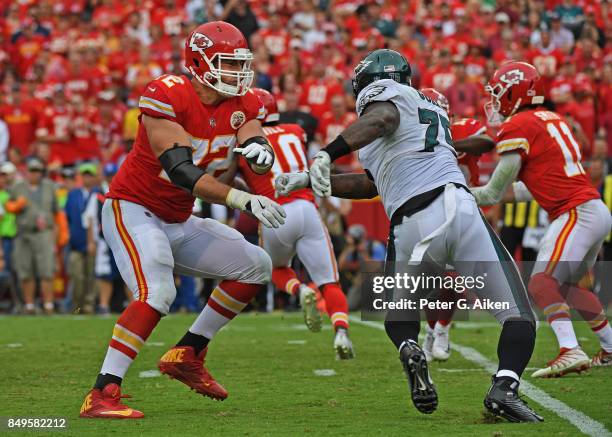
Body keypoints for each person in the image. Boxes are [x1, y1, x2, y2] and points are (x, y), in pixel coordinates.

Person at [276, 49, 541, 422]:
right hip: (460, 207)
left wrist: (327, 153)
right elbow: (370, 183)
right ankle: (505, 388)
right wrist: (309, 179)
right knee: (518, 315)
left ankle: (409, 346)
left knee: (398, 318)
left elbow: (382, 117)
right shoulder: (427, 109)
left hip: (412, 218)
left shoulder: (387, 103)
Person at [79, 22, 286, 419]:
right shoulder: (168, 94)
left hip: (177, 218)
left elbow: (255, 151)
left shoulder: (245, 103)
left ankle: (187, 353)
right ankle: (102, 392)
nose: (236, 73)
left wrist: (266, 193)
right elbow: (181, 172)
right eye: (226, 63)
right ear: (199, 62)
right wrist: (242, 199)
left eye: (239, 63)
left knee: (255, 266)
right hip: (134, 208)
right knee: (157, 293)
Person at [472, 61, 612, 376]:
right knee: (567, 288)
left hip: (575, 212)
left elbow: (493, 193)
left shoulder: (519, 125)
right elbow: (530, 186)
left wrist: (458, 191)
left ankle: (569, 349)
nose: (495, 101)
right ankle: (609, 346)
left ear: (515, 92)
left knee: (541, 282)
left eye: (499, 93)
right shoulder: (550, 118)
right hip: (593, 209)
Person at [231, 88, 354, 359]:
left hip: (274, 211)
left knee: (274, 269)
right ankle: (342, 332)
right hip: (306, 208)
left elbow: (234, 178)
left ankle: (299, 290)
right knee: (329, 282)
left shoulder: (245, 142)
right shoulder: (295, 131)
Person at [418, 87, 495, 362]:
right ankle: (431, 330)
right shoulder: (411, 137)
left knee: (453, 277)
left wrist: (450, 144)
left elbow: (487, 142)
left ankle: (441, 329)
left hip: (463, 210)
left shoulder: (462, 129)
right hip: (428, 211)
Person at [6, 157, 59, 314]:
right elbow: (8, 206)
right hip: (23, 233)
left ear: (42, 173)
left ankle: (48, 305)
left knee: (46, 270)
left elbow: (57, 213)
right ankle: (29, 305)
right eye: (32, 171)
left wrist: (55, 237)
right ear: (27, 172)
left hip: (44, 233)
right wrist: (15, 206)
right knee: (25, 271)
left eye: (38, 171)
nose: (34, 174)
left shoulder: (50, 187)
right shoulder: (17, 187)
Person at [65, 163, 100, 314]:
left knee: (92, 276)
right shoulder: (73, 194)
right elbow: (67, 218)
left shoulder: (99, 193)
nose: (87, 178)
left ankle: (89, 305)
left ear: (94, 177)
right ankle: (76, 306)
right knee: (77, 276)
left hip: (95, 242)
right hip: (76, 242)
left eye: (90, 175)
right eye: (84, 175)